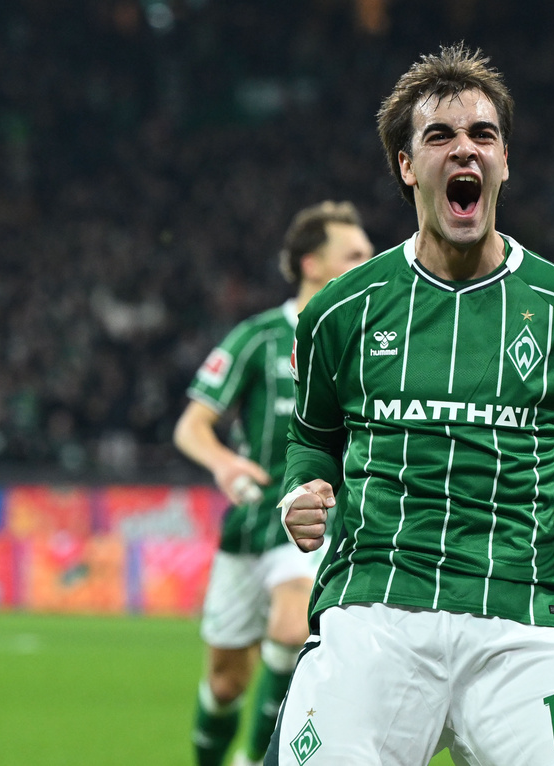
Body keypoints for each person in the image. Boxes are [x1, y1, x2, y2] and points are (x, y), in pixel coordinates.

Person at [267, 43, 554, 766]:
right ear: (407, 167)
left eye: (483, 135)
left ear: (503, 162)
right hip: (376, 607)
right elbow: (312, 440)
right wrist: (303, 491)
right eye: (440, 136)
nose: (464, 148)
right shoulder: (339, 313)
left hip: (527, 614)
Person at [173, 201, 373, 766]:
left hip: (319, 522)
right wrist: (224, 464)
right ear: (312, 264)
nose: (369, 262)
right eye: (354, 255)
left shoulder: (373, 340)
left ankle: (264, 759)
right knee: (226, 681)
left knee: (291, 627)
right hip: (251, 522)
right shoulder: (259, 338)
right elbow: (191, 426)